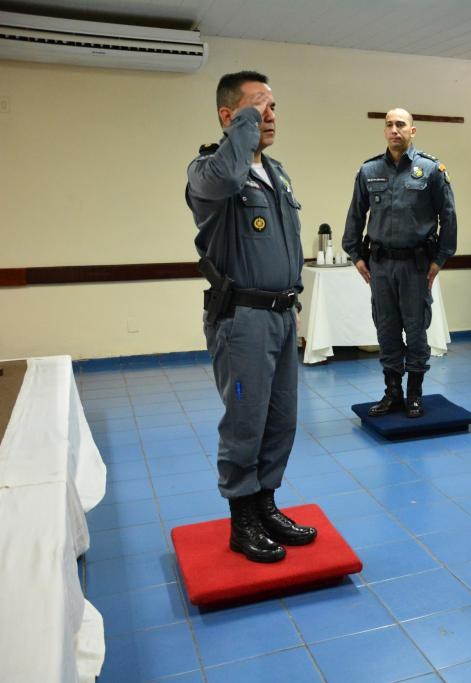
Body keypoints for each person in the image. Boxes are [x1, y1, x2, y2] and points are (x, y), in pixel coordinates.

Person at [187, 71, 316, 563]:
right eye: (257, 107)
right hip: (242, 321)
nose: (270, 115)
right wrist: (240, 129)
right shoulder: (207, 171)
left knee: (281, 419)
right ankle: (242, 517)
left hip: (282, 315)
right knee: (245, 420)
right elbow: (224, 175)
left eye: (273, 106)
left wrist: (294, 301)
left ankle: (266, 504)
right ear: (228, 116)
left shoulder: (277, 173)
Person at [342, 108, 457, 419]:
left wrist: (439, 260)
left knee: (416, 329)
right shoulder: (369, 170)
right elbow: (355, 215)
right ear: (384, 131)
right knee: (387, 328)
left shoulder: (431, 170)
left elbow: (448, 217)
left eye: (401, 125)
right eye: (390, 125)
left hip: (416, 265)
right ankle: (392, 392)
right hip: (380, 265)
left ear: (413, 131)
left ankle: (414, 393)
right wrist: (355, 254)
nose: (395, 130)